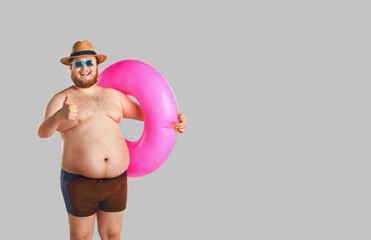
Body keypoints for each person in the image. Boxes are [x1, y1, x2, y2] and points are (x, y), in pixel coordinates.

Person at [38, 40, 187, 240]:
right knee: (81, 237)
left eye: (89, 63)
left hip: (116, 181)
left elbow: (149, 113)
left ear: (97, 65)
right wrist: (59, 116)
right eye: (79, 64)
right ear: (71, 67)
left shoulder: (112, 96)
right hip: (80, 182)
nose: (85, 68)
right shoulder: (62, 98)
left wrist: (176, 119)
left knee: (112, 235)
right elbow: (42, 132)